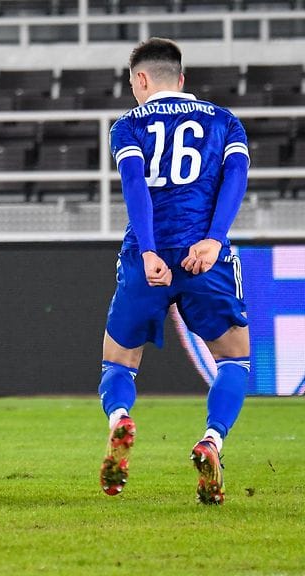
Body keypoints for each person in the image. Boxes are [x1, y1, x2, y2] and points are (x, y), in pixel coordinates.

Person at [98, 37, 251, 505]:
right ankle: (212, 440)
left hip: (148, 259)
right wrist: (214, 239)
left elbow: (134, 187)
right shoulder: (225, 121)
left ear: (141, 80)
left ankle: (120, 418)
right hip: (205, 257)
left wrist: (148, 251)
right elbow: (236, 179)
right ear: (181, 79)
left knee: (118, 361)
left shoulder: (127, 126)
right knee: (235, 359)